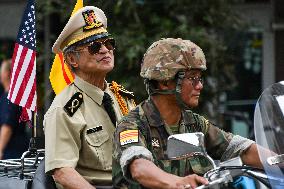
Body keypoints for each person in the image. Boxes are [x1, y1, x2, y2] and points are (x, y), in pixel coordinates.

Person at [112, 38, 263, 189]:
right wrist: (178, 182)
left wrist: (276, 160)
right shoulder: (132, 125)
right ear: (164, 82)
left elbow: (240, 149)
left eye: (200, 78)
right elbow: (139, 168)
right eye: (192, 78)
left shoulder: (195, 123)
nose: (200, 85)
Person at [44, 6, 136, 189]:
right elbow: (62, 172)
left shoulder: (122, 98)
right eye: (95, 47)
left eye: (108, 44)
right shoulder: (64, 109)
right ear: (72, 59)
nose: (105, 50)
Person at [0, 59, 29, 159]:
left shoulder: (11, 97)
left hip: (10, 153)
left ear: (7, 73)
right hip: (16, 149)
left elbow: (7, 126)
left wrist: (0, 150)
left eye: (1, 70)